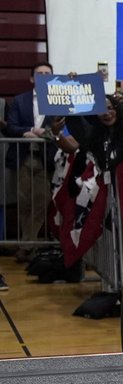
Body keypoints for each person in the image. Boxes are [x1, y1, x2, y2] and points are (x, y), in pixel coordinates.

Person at [5, 61, 55, 262]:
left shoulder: (58, 100)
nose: (43, 76)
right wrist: (27, 132)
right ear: (32, 78)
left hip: (47, 158)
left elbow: (65, 127)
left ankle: (27, 245)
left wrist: (47, 133)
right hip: (24, 156)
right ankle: (30, 244)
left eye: (47, 73)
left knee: (42, 201)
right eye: (39, 73)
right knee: (24, 202)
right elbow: (11, 126)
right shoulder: (20, 100)